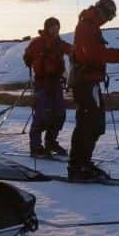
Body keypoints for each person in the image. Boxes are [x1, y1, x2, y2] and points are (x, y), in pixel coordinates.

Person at [68, 0, 119, 181]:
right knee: (88, 123)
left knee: (94, 124)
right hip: (85, 82)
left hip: (91, 82)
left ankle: (83, 163)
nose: (109, 20)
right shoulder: (86, 26)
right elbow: (95, 54)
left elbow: (95, 53)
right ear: (103, 11)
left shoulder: (91, 25)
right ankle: (77, 166)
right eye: (110, 16)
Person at [23, 17, 72, 158]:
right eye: (53, 27)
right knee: (41, 115)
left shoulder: (59, 43)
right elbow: (27, 56)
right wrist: (29, 60)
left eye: (58, 28)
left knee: (59, 114)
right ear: (47, 28)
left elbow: (71, 50)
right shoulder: (37, 43)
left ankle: (51, 142)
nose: (56, 30)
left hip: (56, 82)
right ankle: (36, 147)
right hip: (42, 83)